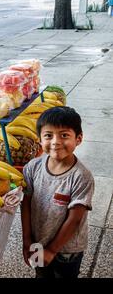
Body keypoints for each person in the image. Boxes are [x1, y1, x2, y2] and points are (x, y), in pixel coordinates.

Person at [21, 106, 94, 278]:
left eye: (64, 135)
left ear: (78, 138)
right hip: (38, 241)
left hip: (67, 251)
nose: (55, 141)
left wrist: (52, 250)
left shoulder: (81, 177)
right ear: (39, 139)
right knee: (41, 274)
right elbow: (26, 204)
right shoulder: (32, 168)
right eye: (48, 135)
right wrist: (26, 240)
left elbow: (75, 219)